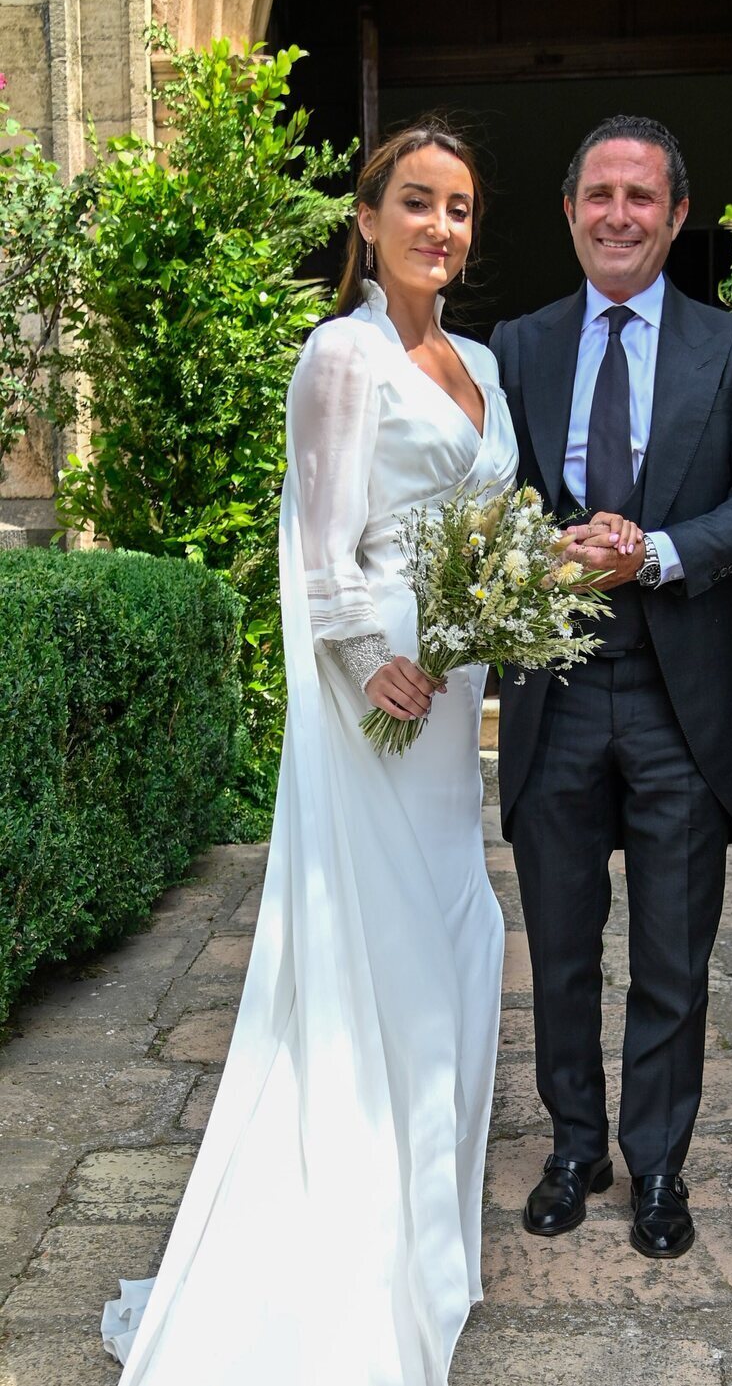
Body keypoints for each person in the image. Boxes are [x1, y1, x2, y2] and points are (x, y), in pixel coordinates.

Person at [101, 122, 518, 1385]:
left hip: (451, 685)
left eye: (456, 208)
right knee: (384, 943)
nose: (437, 227)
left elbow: (488, 527)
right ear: (367, 215)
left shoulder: (481, 365)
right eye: (414, 203)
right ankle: (353, 1241)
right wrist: (359, 662)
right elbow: (324, 542)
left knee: (456, 935)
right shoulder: (339, 354)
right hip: (380, 689)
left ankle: (420, 1235)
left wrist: (542, 574)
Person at [490, 115, 732, 1260]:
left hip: (677, 702)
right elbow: (484, 502)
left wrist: (655, 550)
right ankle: (574, 1149)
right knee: (560, 951)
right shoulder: (514, 347)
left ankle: (656, 1166)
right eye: (597, 195)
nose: (616, 215)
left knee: (672, 955)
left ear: (673, 217)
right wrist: (550, 549)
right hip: (554, 691)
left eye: (640, 197)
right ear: (569, 211)